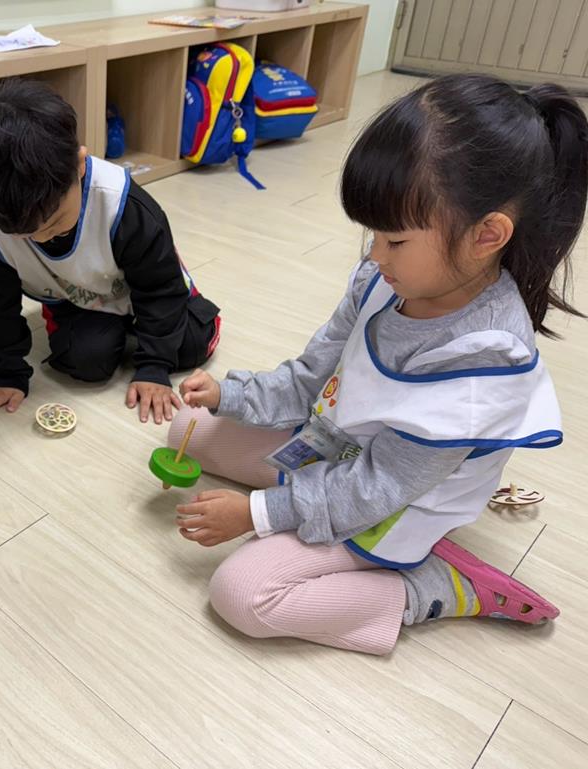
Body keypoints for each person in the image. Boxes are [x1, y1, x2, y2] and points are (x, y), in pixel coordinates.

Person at [172, 74, 585, 655]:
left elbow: (379, 486)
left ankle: (434, 587)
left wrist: (258, 513)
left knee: (243, 594)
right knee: (188, 428)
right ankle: (305, 493)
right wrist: (230, 395)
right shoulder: (382, 277)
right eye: (374, 234)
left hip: (397, 499)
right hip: (343, 448)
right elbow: (313, 375)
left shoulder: (482, 362)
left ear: (487, 235)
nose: (374, 254)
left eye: (395, 240)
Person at [0, 78, 221, 424]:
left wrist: (154, 367)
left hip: (147, 287)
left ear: (79, 165)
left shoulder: (123, 205)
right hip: (80, 296)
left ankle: (150, 336)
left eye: (54, 222)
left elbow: (160, 289)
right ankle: (124, 332)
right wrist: (9, 373)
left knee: (191, 344)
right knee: (84, 361)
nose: (41, 238)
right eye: (23, 234)